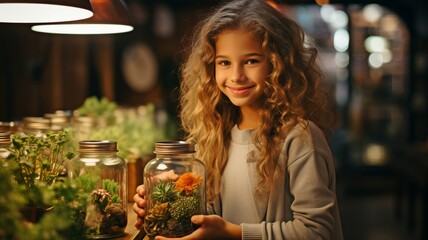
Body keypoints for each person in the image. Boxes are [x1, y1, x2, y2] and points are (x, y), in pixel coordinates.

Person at [133, 0, 343, 239]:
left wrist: (233, 233)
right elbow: (211, 216)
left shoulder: (301, 139)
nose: (236, 76)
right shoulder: (213, 137)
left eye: (252, 61)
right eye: (224, 62)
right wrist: (166, 203)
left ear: (279, 64)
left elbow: (316, 232)